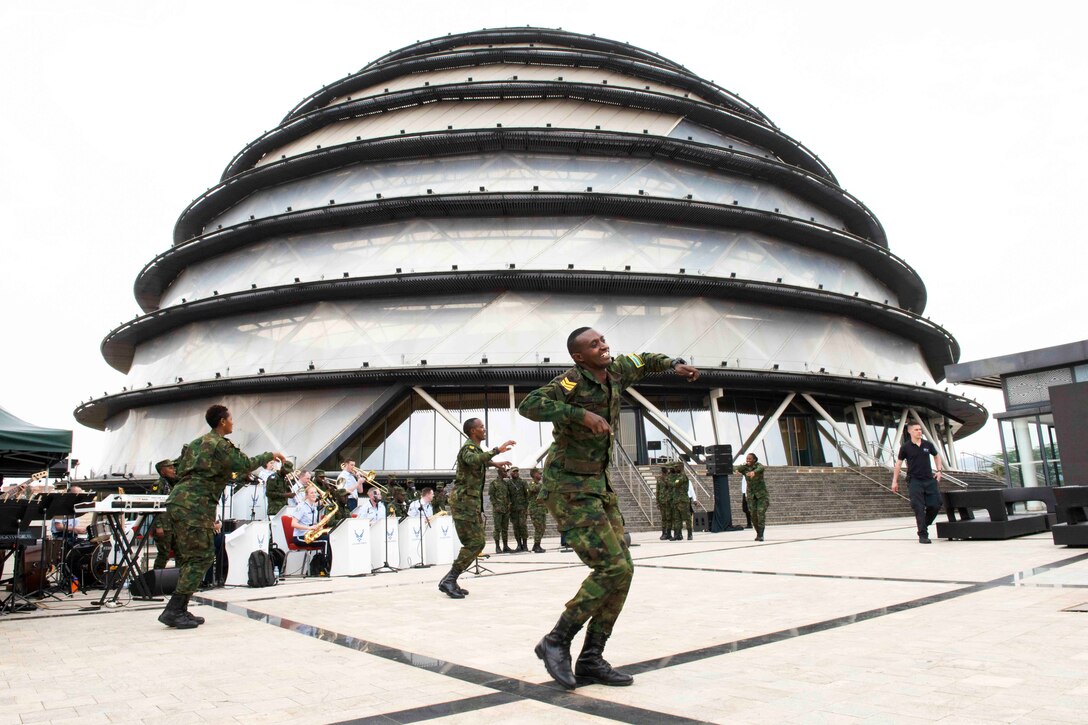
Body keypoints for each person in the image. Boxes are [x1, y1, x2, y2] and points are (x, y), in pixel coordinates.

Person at [518, 326, 700, 689]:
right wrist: (578, 414)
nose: (603, 347)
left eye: (602, 341)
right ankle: (555, 640)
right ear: (578, 356)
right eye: (593, 345)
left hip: (599, 486)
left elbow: (646, 361)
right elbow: (529, 405)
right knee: (611, 566)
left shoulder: (616, 370)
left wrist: (674, 364)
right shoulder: (570, 383)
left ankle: (591, 658)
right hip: (569, 488)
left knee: (624, 569)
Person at [159, 404, 285, 629]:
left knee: (193, 558)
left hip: (183, 501)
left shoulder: (197, 443)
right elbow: (244, 463)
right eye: (230, 419)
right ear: (222, 422)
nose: (233, 423)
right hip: (194, 505)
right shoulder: (219, 444)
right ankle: (174, 610)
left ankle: (180, 608)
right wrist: (271, 454)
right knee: (201, 557)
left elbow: (180, 469)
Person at [441, 418, 514, 599]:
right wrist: (497, 451)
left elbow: (477, 460)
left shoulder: (475, 449)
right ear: (473, 431)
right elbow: (473, 459)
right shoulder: (468, 448)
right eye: (481, 426)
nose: (484, 429)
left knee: (475, 543)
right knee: (475, 543)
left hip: (469, 503)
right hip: (464, 502)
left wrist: (493, 463)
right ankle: (449, 580)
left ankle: (450, 580)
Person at [892, 422, 944, 544]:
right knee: (918, 507)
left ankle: (924, 524)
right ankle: (923, 535)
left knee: (936, 504)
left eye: (920, 429)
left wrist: (939, 470)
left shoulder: (928, 445)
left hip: (929, 480)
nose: (919, 431)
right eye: (916, 430)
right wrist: (894, 481)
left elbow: (937, 456)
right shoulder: (905, 447)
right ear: (910, 431)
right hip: (914, 481)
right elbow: (898, 464)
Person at [291, 485, 331, 574]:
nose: (314, 495)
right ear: (307, 495)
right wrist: (309, 528)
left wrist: (319, 526)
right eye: (311, 493)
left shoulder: (313, 507)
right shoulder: (301, 507)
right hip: (300, 536)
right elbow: (293, 524)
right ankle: (324, 567)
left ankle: (330, 564)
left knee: (329, 537)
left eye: (315, 493)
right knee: (325, 541)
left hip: (310, 534)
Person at [150, 460, 178, 569]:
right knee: (164, 553)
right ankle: (157, 579)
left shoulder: (173, 484)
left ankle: (178, 579)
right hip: (164, 526)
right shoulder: (158, 484)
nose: (173, 470)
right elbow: (155, 506)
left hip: (174, 525)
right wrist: (158, 526)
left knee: (180, 553)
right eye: (170, 468)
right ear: (162, 471)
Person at [734, 454, 768, 541]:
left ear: (754, 460)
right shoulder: (745, 467)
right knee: (753, 515)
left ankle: (761, 534)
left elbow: (761, 468)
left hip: (761, 495)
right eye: (747, 459)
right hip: (751, 495)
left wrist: (754, 472)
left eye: (750, 459)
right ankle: (758, 533)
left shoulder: (758, 466)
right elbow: (736, 468)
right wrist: (737, 470)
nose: (748, 460)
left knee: (760, 513)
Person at [488, 465, 512, 554]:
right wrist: (495, 505)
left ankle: (505, 546)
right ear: (500, 473)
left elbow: (508, 495)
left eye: (506, 472)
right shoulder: (493, 483)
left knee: (505, 528)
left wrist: (509, 504)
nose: (506, 473)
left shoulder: (506, 483)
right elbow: (491, 496)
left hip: (505, 509)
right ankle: (497, 547)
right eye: (504, 472)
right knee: (497, 528)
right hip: (498, 509)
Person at [508, 467, 530, 552]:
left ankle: (525, 545)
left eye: (517, 471)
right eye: (514, 472)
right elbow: (508, 495)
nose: (516, 473)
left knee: (522, 526)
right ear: (511, 473)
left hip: (522, 509)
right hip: (513, 510)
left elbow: (527, 495)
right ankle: (519, 544)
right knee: (515, 527)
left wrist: (526, 507)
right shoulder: (509, 483)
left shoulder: (523, 482)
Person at [527, 467, 548, 553]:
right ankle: (537, 546)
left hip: (541, 509)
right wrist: (543, 486)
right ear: (535, 474)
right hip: (535, 510)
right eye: (539, 473)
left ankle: (536, 545)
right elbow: (533, 489)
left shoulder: (540, 484)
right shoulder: (532, 483)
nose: (541, 475)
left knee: (542, 528)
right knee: (538, 528)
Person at [655, 464, 672, 540]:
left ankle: (668, 533)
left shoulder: (669, 479)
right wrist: (657, 502)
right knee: (664, 518)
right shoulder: (659, 479)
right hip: (662, 501)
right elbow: (657, 491)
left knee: (668, 518)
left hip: (669, 501)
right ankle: (664, 533)